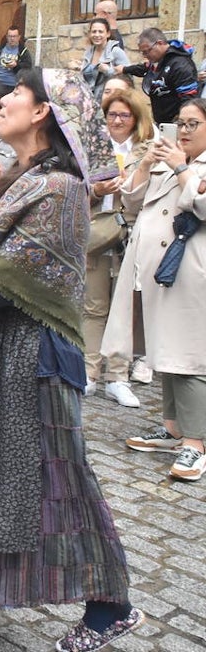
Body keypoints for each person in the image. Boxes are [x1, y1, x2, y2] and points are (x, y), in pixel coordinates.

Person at [0, 68, 142, 652]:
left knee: (60, 484)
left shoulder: (58, 191)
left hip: (37, 361)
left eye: (13, 94)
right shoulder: (24, 177)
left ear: (41, 113)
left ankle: (111, 607)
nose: (0, 101)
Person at [109, 96, 206, 480]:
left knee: (191, 357)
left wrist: (182, 168)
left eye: (192, 125)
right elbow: (130, 201)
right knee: (166, 351)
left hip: (192, 274)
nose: (182, 131)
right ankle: (172, 428)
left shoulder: (191, 166)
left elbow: (201, 204)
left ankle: (195, 444)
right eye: (179, 124)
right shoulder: (167, 162)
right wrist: (148, 163)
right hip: (159, 275)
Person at [84, 80, 152, 407]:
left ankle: (119, 376)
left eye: (124, 115)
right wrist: (97, 191)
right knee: (94, 306)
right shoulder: (92, 148)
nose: (117, 121)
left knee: (124, 307)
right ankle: (90, 372)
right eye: (112, 115)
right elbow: (74, 188)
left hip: (130, 234)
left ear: (136, 118)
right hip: (97, 231)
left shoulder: (147, 150)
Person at [121, 27, 198, 126]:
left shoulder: (180, 65)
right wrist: (123, 69)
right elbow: (143, 68)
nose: (145, 56)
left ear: (160, 43)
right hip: (161, 122)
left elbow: (188, 100)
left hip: (176, 125)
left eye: (146, 51)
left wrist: (179, 125)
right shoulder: (159, 61)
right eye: (142, 53)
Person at [80, 17, 128, 98]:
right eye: (94, 32)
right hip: (90, 101)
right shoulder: (88, 53)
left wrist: (108, 71)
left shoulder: (116, 51)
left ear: (108, 33)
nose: (97, 35)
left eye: (101, 32)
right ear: (89, 34)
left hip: (109, 100)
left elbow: (128, 78)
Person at [0, 26, 32, 95]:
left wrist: (16, 65)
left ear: (19, 37)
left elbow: (28, 66)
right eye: (10, 36)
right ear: (7, 37)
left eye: (14, 36)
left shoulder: (23, 51)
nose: (12, 39)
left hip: (14, 86)